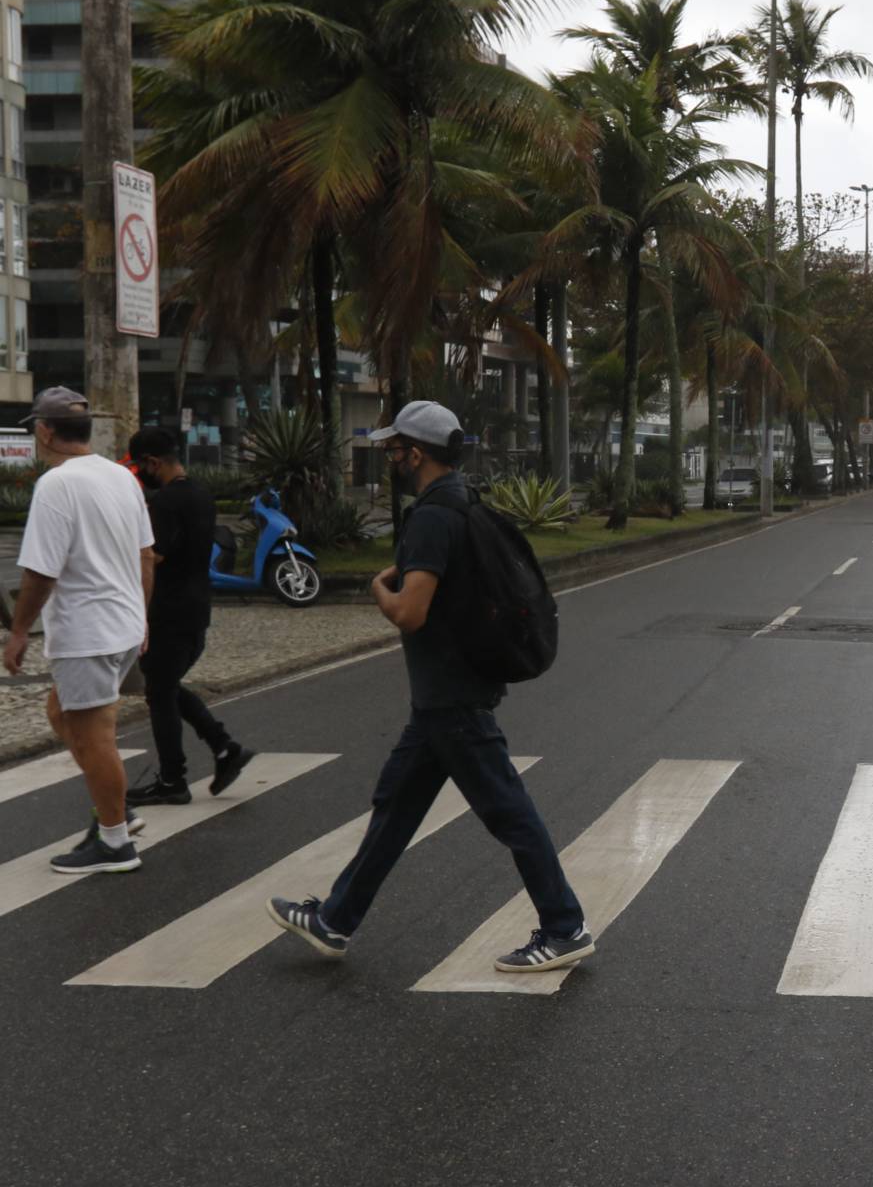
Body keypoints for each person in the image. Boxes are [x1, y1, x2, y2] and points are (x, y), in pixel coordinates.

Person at [268, 401, 592, 973]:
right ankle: (336, 920)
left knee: (511, 815)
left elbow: (411, 612)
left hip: (452, 698)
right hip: (446, 697)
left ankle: (565, 926)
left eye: (395, 448)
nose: (390, 456)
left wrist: (377, 588)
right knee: (394, 809)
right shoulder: (464, 503)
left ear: (416, 453)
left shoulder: (431, 518)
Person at [4, 388, 155, 873]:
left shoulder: (56, 484)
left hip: (89, 632)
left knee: (94, 737)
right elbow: (145, 555)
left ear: (45, 431)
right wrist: (142, 615)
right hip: (123, 625)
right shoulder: (120, 476)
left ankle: (114, 842)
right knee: (60, 710)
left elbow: (40, 573)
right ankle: (117, 809)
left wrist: (20, 630)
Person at [122, 428, 255, 806]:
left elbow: (154, 556)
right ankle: (223, 747)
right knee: (164, 686)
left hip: (167, 610)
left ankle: (173, 779)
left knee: (160, 691)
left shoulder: (164, 503)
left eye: (138, 465)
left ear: (151, 462)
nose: (138, 473)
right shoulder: (200, 494)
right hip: (197, 607)